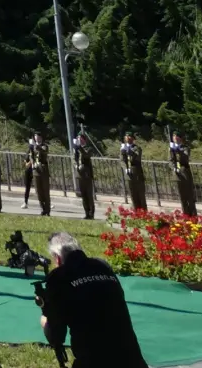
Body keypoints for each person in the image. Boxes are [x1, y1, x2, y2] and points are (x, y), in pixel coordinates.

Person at [40, 231, 147, 368]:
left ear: (58, 259)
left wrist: (45, 317)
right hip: (133, 361)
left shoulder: (59, 276)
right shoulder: (102, 266)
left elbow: (56, 336)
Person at [169, 131, 197, 216]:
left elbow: (185, 157)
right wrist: (173, 167)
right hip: (177, 174)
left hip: (185, 172)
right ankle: (186, 215)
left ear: (180, 138)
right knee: (182, 197)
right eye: (173, 136)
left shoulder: (185, 147)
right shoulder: (171, 148)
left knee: (190, 195)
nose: (174, 138)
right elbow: (170, 160)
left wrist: (178, 150)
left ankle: (193, 215)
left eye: (176, 136)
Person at [121, 133, 147, 211]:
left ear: (133, 138)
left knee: (141, 196)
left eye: (129, 136)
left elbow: (137, 157)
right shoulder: (123, 148)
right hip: (129, 175)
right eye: (126, 136)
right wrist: (125, 168)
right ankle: (136, 214)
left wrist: (128, 149)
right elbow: (122, 160)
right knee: (133, 196)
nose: (127, 138)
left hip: (137, 174)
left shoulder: (137, 148)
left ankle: (144, 214)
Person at [73, 133, 95, 220]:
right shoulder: (77, 149)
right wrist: (76, 165)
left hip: (87, 174)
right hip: (80, 174)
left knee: (89, 195)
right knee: (83, 195)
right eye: (78, 138)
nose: (79, 140)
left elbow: (86, 155)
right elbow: (74, 158)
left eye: (80, 138)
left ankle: (91, 213)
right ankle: (86, 212)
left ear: (84, 140)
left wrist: (79, 148)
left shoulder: (88, 148)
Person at [31, 132, 51, 216]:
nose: (37, 139)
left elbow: (43, 151)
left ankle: (47, 209)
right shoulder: (33, 147)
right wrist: (32, 163)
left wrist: (36, 146)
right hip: (36, 171)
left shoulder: (44, 146)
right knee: (38, 191)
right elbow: (31, 156)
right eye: (35, 137)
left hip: (43, 171)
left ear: (41, 138)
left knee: (45, 191)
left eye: (38, 137)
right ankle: (42, 209)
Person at [21, 135, 35, 209]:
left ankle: (46, 203)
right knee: (27, 187)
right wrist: (26, 163)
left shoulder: (37, 149)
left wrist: (30, 163)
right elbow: (25, 159)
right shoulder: (29, 149)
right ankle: (25, 202)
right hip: (28, 170)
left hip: (35, 169)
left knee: (40, 188)